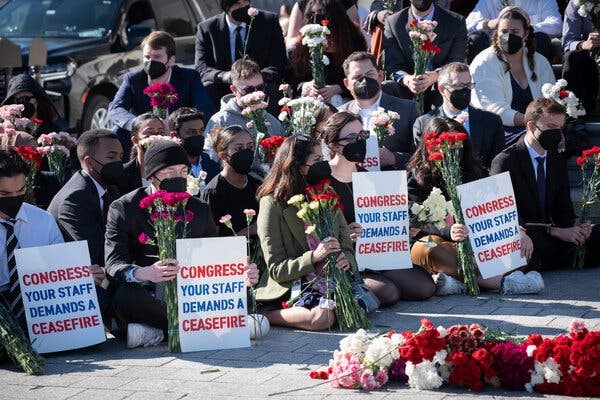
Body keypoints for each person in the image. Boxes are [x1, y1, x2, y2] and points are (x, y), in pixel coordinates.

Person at [105, 141, 259, 348]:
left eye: (183, 171)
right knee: (126, 296)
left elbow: (215, 258)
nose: (177, 177)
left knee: (245, 297)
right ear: (151, 176)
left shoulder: (199, 209)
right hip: (148, 292)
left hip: (192, 294)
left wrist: (241, 274)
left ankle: (157, 333)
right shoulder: (124, 208)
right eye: (169, 172)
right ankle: (202, 330)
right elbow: (113, 263)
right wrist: (144, 273)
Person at [407, 116, 544, 295]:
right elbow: (413, 218)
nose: (452, 149)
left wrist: (520, 231)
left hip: (476, 244)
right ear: (430, 145)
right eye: (445, 143)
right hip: (441, 244)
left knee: (522, 248)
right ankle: (501, 284)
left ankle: (459, 283)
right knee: (425, 249)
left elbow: (500, 205)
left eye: (457, 143)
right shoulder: (417, 177)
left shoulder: (476, 171)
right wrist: (448, 230)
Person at [323, 112, 435, 305]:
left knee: (424, 287)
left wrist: (402, 229)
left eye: (362, 136)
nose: (359, 142)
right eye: (351, 138)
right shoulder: (323, 180)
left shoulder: (369, 177)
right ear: (333, 145)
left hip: (377, 254)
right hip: (346, 258)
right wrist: (343, 235)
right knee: (388, 293)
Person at [255, 136, 362, 331]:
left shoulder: (325, 192)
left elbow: (346, 246)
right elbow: (277, 269)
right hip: (295, 282)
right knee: (322, 319)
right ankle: (265, 314)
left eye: (323, 159)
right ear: (296, 165)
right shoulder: (272, 204)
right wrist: (314, 256)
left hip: (332, 278)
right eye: (316, 161)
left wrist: (345, 260)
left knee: (382, 295)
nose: (323, 166)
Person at [490, 98, 600, 270]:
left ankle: (548, 260)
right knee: (528, 245)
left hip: (550, 237)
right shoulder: (505, 162)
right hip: (524, 234)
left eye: (560, 128)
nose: (557, 134)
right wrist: (555, 231)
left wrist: (576, 225)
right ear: (531, 126)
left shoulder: (557, 160)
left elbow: (563, 209)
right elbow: (503, 216)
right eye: (551, 127)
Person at [48, 129, 123, 324]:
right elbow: (93, 253)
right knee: (128, 294)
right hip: (70, 285)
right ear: (89, 162)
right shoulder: (76, 197)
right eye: (111, 156)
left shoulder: (109, 188)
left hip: (99, 273)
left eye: (121, 156)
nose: (118, 163)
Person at [108, 31, 215, 156]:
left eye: (157, 57)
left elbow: (205, 107)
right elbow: (115, 109)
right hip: (145, 137)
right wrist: (138, 124)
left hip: (177, 135)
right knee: (117, 131)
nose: (150, 61)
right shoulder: (133, 79)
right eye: (147, 57)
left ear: (171, 60)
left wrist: (176, 124)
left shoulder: (188, 77)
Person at [470, 7, 555, 147]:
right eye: (504, 32)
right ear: (496, 33)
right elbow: (494, 110)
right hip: (499, 129)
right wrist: (534, 122)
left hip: (536, 126)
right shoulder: (484, 62)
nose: (508, 36)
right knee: (536, 139)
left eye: (515, 32)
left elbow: (550, 100)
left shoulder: (540, 62)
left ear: (526, 34)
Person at [0, 148, 64, 328]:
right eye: (4, 194)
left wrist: (82, 274)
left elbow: (61, 268)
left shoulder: (43, 220)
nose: (14, 198)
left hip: (40, 301)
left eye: (20, 191)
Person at [194, 0, 287, 113]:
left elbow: (278, 59)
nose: (243, 7)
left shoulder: (268, 21)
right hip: (225, 86)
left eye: (245, 2)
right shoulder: (207, 28)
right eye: (237, 4)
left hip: (259, 84)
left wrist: (257, 78)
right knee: (207, 89)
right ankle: (217, 127)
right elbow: (202, 67)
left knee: (272, 89)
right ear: (226, 7)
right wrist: (224, 76)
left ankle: (269, 127)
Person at [413, 62, 504, 168]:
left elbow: (497, 165)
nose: (465, 90)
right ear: (442, 89)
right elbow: (422, 165)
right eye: (459, 86)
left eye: (468, 85)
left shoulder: (491, 122)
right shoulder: (423, 123)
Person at [338, 51, 420, 170]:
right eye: (357, 77)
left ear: (380, 76)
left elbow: (422, 156)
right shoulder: (340, 114)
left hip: (397, 183)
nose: (364, 80)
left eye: (369, 74)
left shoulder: (408, 109)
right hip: (355, 184)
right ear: (347, 83)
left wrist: (394, 158)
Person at [383, 0, 468, 112]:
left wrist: (436, 76)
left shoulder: (455, 22)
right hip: (407, 86)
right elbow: (393, 65)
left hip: (440, 85)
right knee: (387, 88)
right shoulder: (394, 23)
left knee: (449, 88)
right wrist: (407, 80)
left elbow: (456, 60)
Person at [204, 59, 281, 178]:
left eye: (260, 88)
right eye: (248, 90)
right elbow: (211, 158)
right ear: (233, 90)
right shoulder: (220, 121)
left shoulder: (271, 121)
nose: (255, 94)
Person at [288, 0, 367, 106]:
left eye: (321, 12)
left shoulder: (353, 42)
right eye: (312, 14)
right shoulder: (302, 45)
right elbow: (291, 80)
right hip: (310, 100)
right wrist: (305, 86)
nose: (316, 17)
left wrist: (338, 88)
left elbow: (362, 77)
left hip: (344, 100)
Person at [201, 125, 260, 237]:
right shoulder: (214, 192)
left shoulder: (257, 185)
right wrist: (249, 231)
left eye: (250, 147)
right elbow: (212, 242)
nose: (246, 152)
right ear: (223, 156)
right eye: (238, 149)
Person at [466, 0, 561, 62]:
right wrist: (492, 23)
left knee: (541, 38)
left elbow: (557, 26)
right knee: (476, 38)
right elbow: (467, 26)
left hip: (528, 48)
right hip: (495, 49)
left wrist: (524, 27)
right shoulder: (488, 1)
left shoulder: (544, 1)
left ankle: (539, 81)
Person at [561, 0, 599, 115]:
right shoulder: (577, 3)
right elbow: (568, 42)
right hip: (591, 61)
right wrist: (583, 45)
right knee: (572, 57)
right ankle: (574, 114)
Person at [168, 107, 220, 187]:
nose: (198, 136)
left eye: (201, 131)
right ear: (175, 136)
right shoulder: (169, 169)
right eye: (191, 132)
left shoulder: (211, 164)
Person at [117, 113, 168, 195]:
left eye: (161, 132)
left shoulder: (173, 172)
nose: (156, 137)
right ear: (135, 141)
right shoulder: (121, 174)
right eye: (149, 133)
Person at [286, 0, 360, 48]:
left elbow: (356, 36)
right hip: (310, 54)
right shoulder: (302, 3)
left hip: (340, 53)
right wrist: (308, 37)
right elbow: (290, 42)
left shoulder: (346, 3)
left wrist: (332, 41)